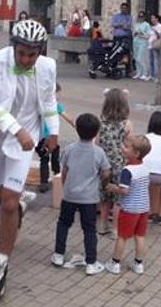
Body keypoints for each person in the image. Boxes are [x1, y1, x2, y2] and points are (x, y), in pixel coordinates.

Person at [0, 20, 59, 297]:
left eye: (32, 54)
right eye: (22, 53)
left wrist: (52, 131)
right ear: (14, 47)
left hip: (26, 138)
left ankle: (1, 264)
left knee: (6, 203)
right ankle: (17, 206)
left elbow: (49, 100)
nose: (26, 59)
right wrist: (15, 129)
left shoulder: (47, 67)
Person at [50, 113, 110, 275]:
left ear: (77, 130)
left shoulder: (69, 149)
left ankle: (58, 255)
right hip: (89, 198)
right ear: (96, 132)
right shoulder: (99, 152)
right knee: (89, 229)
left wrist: (65, 187)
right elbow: (105, 172)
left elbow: (64, 171)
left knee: (63, 224)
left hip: (69, 195)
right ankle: (91, 262)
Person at [104, 135, 152, 275]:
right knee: (140, 236)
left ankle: (115, 263)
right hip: (144, 207)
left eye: (127, 147)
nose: (123, 148)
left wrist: (113, 188)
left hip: (130, 209)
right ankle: (138, 264)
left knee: (122, 236)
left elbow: (125, 190)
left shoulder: (128, 170)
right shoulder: (144, 167)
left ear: (136, 153)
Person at [98, 88, 132, 235]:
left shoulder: (101, 123)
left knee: (105, 198)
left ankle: (102, 226)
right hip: (120, 165)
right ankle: (115, 229)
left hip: (104, 165)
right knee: (119, 200)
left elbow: (97, 144)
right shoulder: (127, 124)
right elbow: (128, 144)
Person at [36, 83, 73, 194]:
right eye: (58, 94)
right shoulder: (56, 105)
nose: (59, 96)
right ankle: (58, 177)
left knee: (43, 159)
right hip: (52, 138)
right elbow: (68, 118)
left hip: (40, 139)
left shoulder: (39, 104)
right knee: (55, 159)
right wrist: (75, 124)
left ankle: (44, 183)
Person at [110, 3, 133, 74]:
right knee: (114, 52)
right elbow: (113, 24)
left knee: (126, 53)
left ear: (127, 9)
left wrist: (119, 26)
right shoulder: (116, 16)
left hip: (125, 37)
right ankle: (112, 68)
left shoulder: (129, 17)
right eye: (122, 8)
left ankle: (127, 71)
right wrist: (122, 25)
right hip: (116, 37)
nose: (124, 9)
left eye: (125, 8)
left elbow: (128, 27)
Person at [132, 11, 151, 80]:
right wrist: (135, 33)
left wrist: (141, 34)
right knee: (136, 58)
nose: (140, 18)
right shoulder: (136, 24)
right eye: (139, 16)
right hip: (135, 42)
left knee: (140, 58)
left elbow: (148, 36)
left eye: (142, 16)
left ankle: (145, 73)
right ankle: (138, 73)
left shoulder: (146, 25)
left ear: (144, 17)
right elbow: (133, 34)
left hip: (142, 42)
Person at [147, 14, 161, 81]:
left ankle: (157, 77)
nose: (152, 19)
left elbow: (160, 36)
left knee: (156, 61)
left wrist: (154, 30)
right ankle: (151, 75)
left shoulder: (159, 26)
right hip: (150, 45)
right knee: (151, 61)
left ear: (157, 19)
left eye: (153, 18)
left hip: (156, 45)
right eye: (151, 18)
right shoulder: (151, 26)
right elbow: (149, 36)